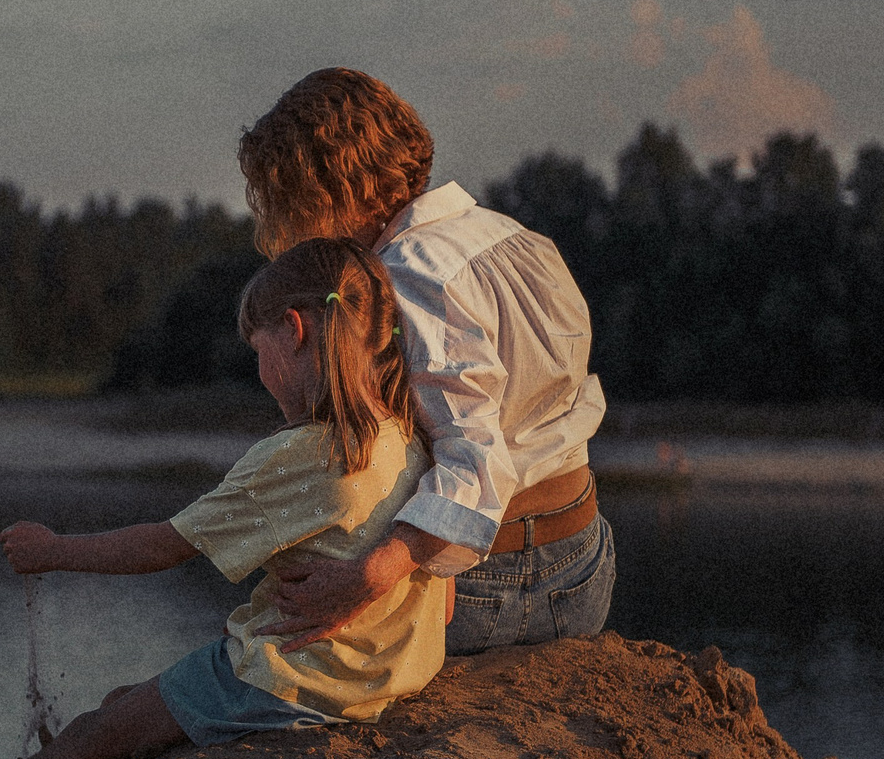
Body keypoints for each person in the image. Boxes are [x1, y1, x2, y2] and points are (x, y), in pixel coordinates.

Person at [0, 238, 448, 759]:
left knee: (90, 732)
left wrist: (54, 551)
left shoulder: (301, 454)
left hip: (296, 680)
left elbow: (164, 545)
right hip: (383, 673)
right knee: (125, 702)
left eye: (258, 353)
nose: (260, 373)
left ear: (293, 331)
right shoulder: (410, 437)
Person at [243, 68, 614, 656]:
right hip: (586, 565)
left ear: (329, 189)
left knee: (262, 643)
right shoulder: (516, 238)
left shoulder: (408, 273)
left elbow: (475, 459)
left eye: (288, 201)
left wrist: (366, 579)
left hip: (494, 587)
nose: (286, 227)